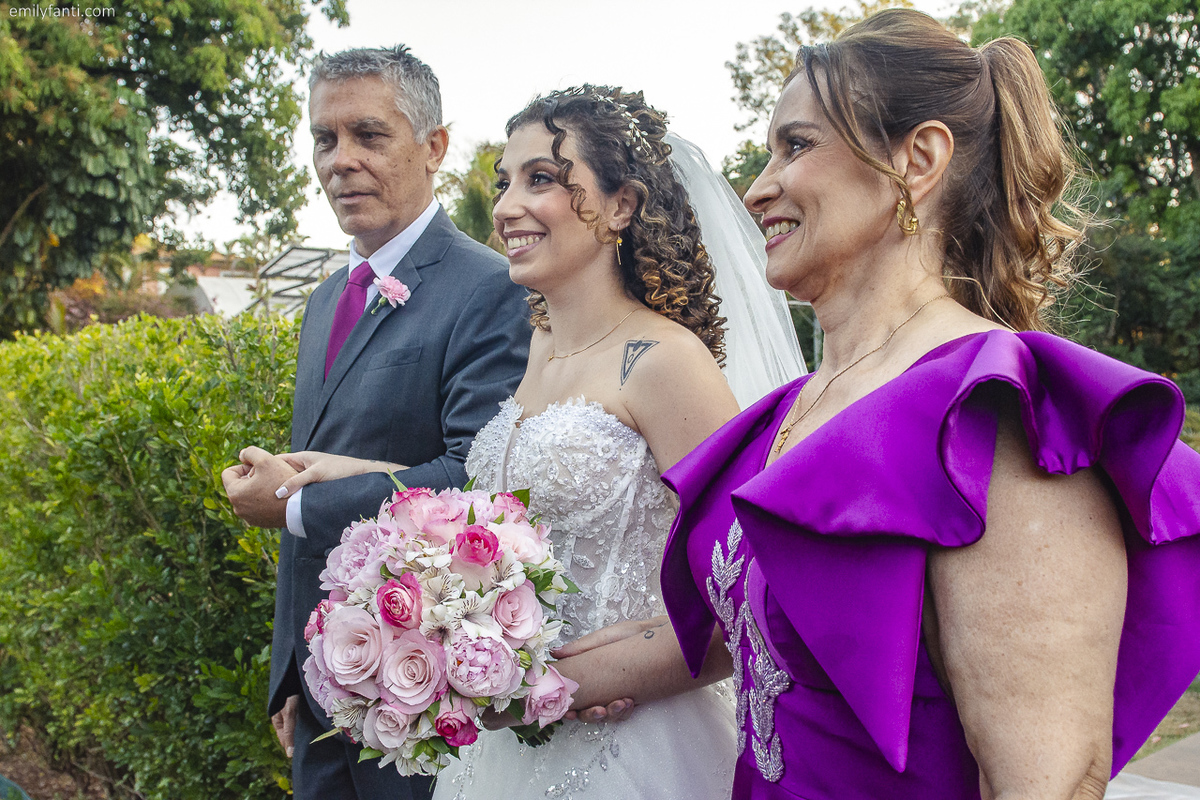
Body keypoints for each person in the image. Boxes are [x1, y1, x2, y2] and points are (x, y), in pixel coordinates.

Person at [659, 9, 1200, 800]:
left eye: (797, 146)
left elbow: (1043, 783)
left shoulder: (994, 416)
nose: (757, 186)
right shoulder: (788, 412)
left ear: (918, 159)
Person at [274, 85, 805, 799]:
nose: (506, 207)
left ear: (622, 205)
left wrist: (585, 677)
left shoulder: (663, 361)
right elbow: (508, 506)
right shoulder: (540, 348)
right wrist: (363, 478)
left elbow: (754, 589)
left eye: (543, 179)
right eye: (505, 181)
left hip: (635, 747)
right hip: (508, 749)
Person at [220, 46, 531, 800]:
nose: (340, 161)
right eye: (324, 140)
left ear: (434, 147)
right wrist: (292, 672)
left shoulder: (491, 289)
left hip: (428, 699)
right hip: (326, 685)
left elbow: (476, 478)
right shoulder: (328, 298)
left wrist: (294, 507)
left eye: (368, 135)